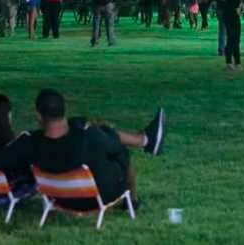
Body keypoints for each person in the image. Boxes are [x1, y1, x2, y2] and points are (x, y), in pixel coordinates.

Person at [29, 89, 165, 211]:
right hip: (96, 200)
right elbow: (114, 146)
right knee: (121, 152)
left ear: (38, 115)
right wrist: (100, 130)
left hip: (57, 200)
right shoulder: (88, 137)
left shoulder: (31, 142)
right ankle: (132, 202)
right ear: (65, 109)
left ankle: (144, 140)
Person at [224, 0, 244, 70]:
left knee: (234, 39)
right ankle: (232, 62)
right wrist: (237, 8)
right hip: (232, 14)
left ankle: (235, 62)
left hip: (231, 14)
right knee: (233, 39)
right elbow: (233, 0)